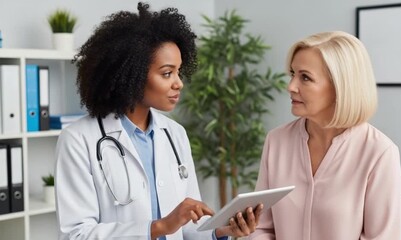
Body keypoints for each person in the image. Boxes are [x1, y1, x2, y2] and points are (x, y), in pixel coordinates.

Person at [55, 3, 262, 240]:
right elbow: (76, 235)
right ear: (131, 74)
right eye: (166, 73)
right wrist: (159, 227)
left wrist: (221, 231)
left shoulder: (175, 134)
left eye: (178, 72)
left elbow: (189, 227)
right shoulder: (78, 140)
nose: (179, 83)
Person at [249, 31, 401, 240]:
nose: (291, 86)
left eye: (305, 77)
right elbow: (262, 228)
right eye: (292, 74)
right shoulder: (277, 141)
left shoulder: (379, 153)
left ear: (340, 86)